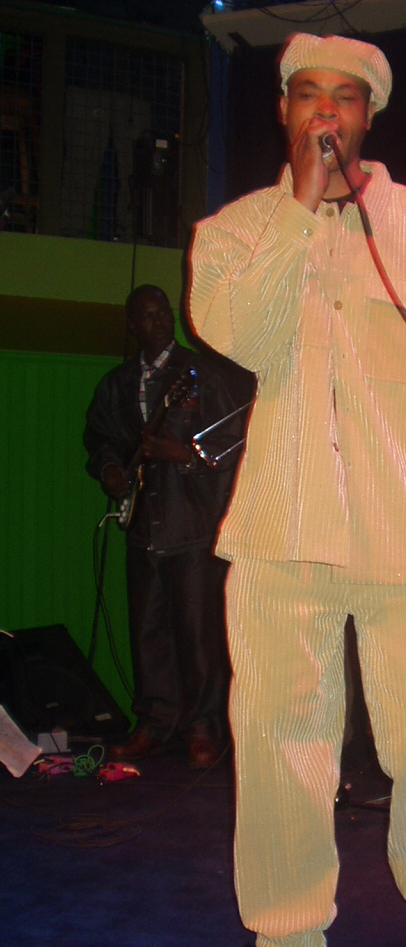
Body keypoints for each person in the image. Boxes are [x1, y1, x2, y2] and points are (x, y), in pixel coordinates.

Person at [187, 33, 406, 947]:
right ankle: (287, 941)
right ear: (283, 111)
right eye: (307, 94)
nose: (325, 111)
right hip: (282, 524)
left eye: (345, 96)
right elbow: (243, 335)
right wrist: (299, 210)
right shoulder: (235, 231)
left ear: (371, 114)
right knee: (279, 737)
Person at [84, 284, 253, 769]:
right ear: (131, 325)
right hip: (144, 527)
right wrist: (110, 468)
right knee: (148, 631)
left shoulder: (202, 374)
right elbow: (100, 437)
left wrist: (187, 455)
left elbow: (236, 440)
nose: (158, 322)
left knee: (199, 633)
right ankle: (155, 724)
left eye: (163, 314)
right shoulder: (118, 384)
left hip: (194, 525)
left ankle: (203, 729)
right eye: (148, 316)